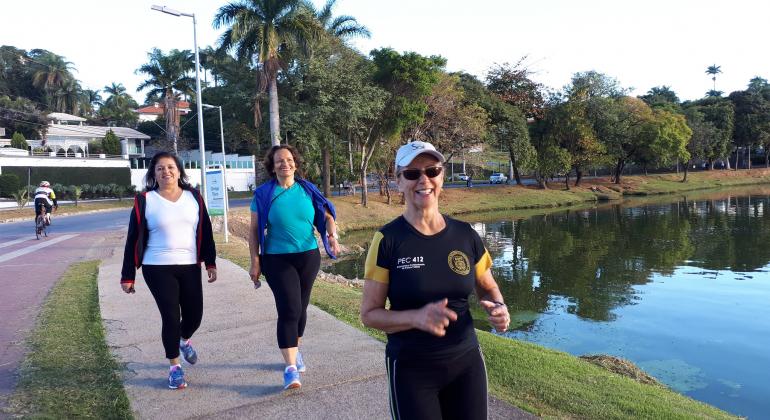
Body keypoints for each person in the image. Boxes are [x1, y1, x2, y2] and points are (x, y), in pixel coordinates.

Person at [360, 140, 510, 420]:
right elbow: (369, 315)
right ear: (398, 181)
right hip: (411, 369)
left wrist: (499, 307)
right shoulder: (388, 240)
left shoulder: (466, 235)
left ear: (441, 175)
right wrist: (417, 318)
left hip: (466, 363)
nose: (424, 180)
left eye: (432, 170)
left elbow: (488, 287)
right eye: (412, 173)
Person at [120, 151, 217, 390]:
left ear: (179, 171)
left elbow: (205, 229)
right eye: (160, 168)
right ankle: (175, 367)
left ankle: (184, 340)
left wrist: (210, 262)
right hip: (157, 267)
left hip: (190, 264)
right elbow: (133, 238)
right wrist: (128, 275)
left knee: (195, 315)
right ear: (154, 173)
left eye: (171, 167)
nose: (166, 172)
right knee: (170, 316)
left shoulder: (194, 196)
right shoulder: (145, 200)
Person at [248, 145, 341, 390]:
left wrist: (332, 235)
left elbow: (326, 216)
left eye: (289, 160)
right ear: (272, 166)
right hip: (277, 259)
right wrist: (255, 261)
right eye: (279, 161)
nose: (284, 164)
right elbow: (254, 230)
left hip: (308, 256)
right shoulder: (264, 193)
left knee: (300, 309)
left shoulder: (307, 189)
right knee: (289, 309)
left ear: (295, 164)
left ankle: (294, 349)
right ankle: (290, 369)